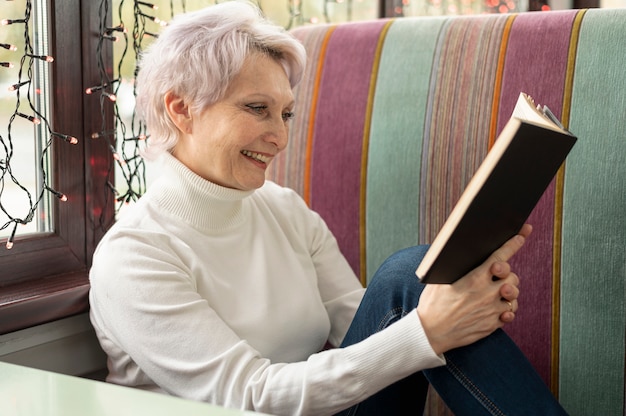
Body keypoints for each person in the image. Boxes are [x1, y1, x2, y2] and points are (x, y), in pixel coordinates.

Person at [88, 2, 568, 415]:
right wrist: (426, 331)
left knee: (414, 284)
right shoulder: (133, 256)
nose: (279, 135)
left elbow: (370, 323)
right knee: (411, 286)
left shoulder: (284, 211)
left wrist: (458, 305)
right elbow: (249, 396)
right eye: (257, 108)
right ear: (181, 109)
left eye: (286, 112)